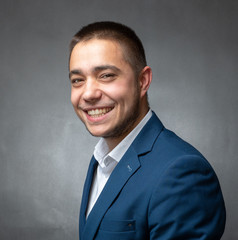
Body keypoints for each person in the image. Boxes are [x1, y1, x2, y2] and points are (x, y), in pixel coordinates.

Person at [68, 21, 226, 240]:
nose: (88, 94)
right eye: (78, 80)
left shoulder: (182, 173)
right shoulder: (101, 160)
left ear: (143, 81)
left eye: (106, 75)